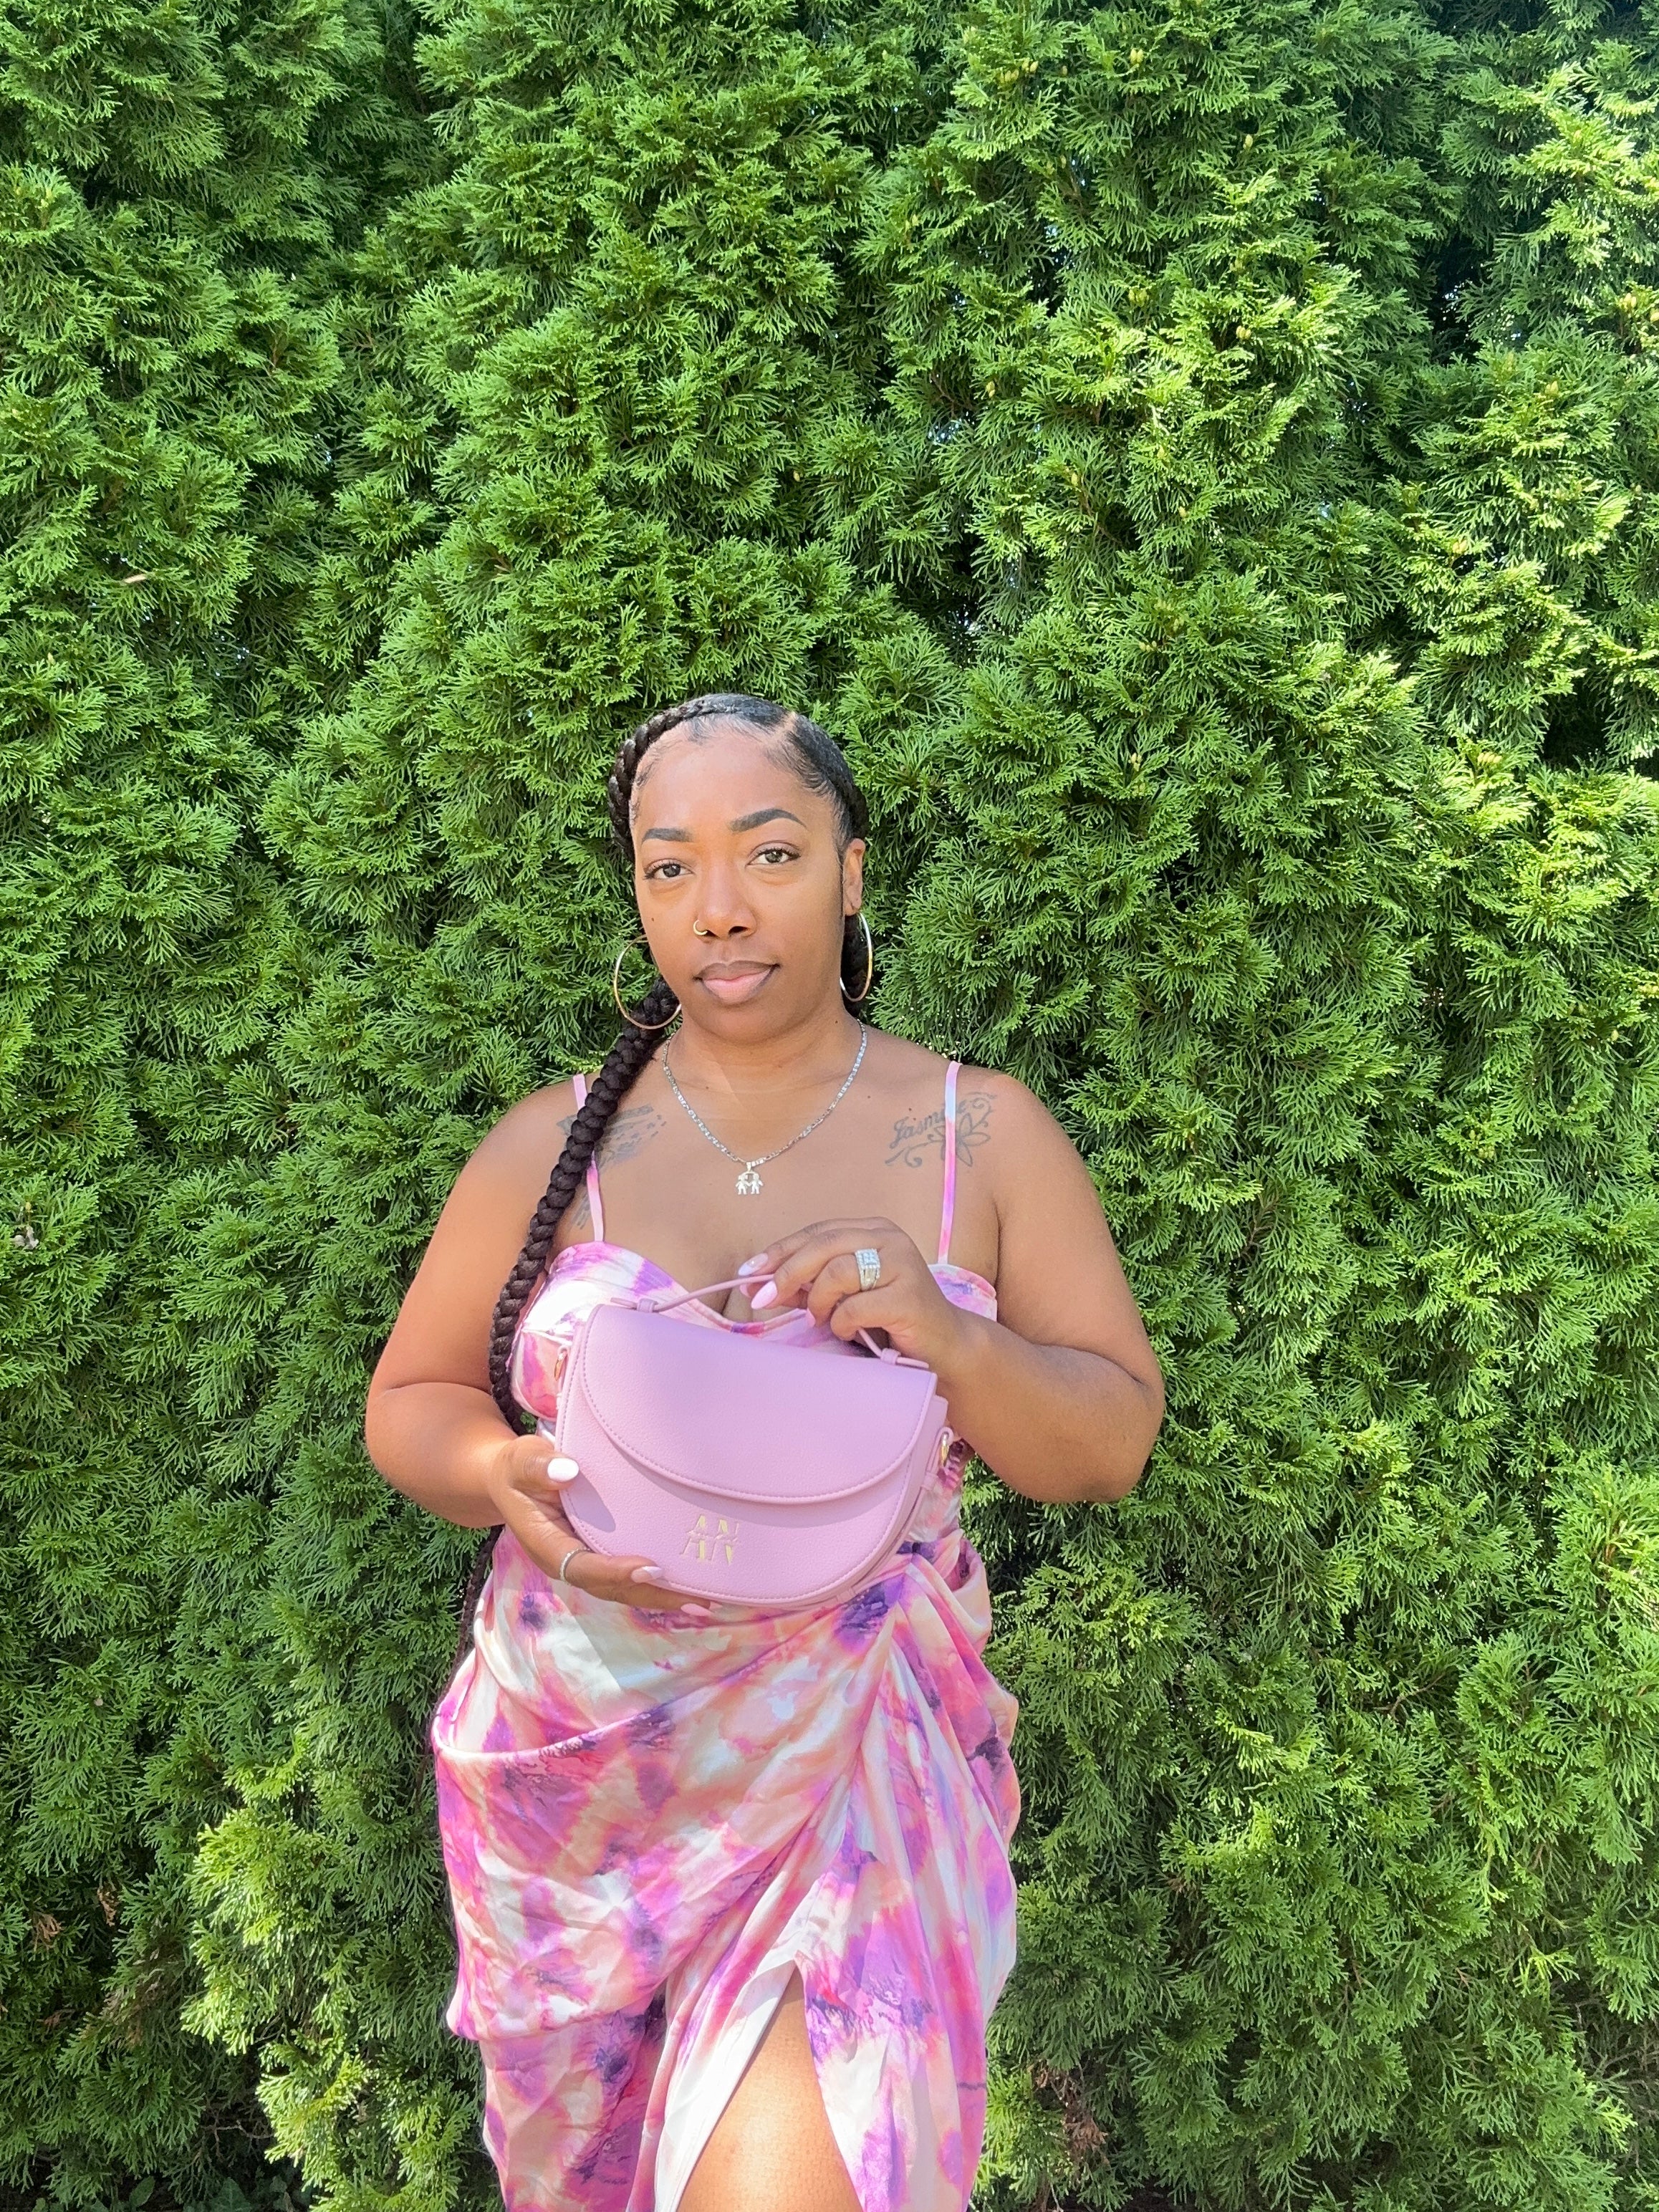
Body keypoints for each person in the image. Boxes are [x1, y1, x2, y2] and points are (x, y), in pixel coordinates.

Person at [364, 693, 1165, 2212]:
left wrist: (956, 1338)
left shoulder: (981, 1135)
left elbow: (1111, 1439)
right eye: (670, 867)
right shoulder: (554, 1146)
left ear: (852, 871)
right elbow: (411, 1394)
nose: (718, 908)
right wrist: (494, 1478)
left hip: (857, 1770)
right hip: (583, 1787)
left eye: (771, 852)